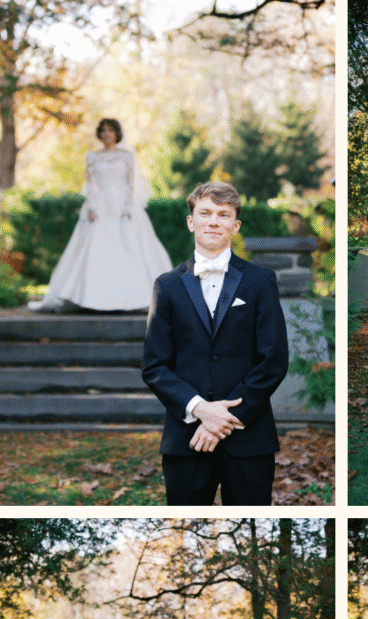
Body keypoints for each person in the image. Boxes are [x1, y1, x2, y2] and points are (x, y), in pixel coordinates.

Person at [141, 181, 289, 507]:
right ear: (191, 221)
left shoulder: (259, 280)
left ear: (235, 226)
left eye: (223, 215)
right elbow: (154, 365)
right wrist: (201, 409)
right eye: (204, 213)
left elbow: (274, 358)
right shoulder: (167, 286)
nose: (213, 221)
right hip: (187, 437)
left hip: (248, 437)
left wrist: (222, 419)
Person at [29, 118, 172, 312]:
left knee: (130, 247)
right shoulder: (92, 156)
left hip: (123, 205)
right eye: (103, 131)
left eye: (111, 131)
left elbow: (131, 183)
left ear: (117, 134)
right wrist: (92, 206)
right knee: (93, 246)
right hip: (100, 205)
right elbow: (89, 185)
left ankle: (132, 298)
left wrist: (128, 207)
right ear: (99, 134)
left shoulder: (127, 155)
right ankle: (91, 298)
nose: (107, 135)